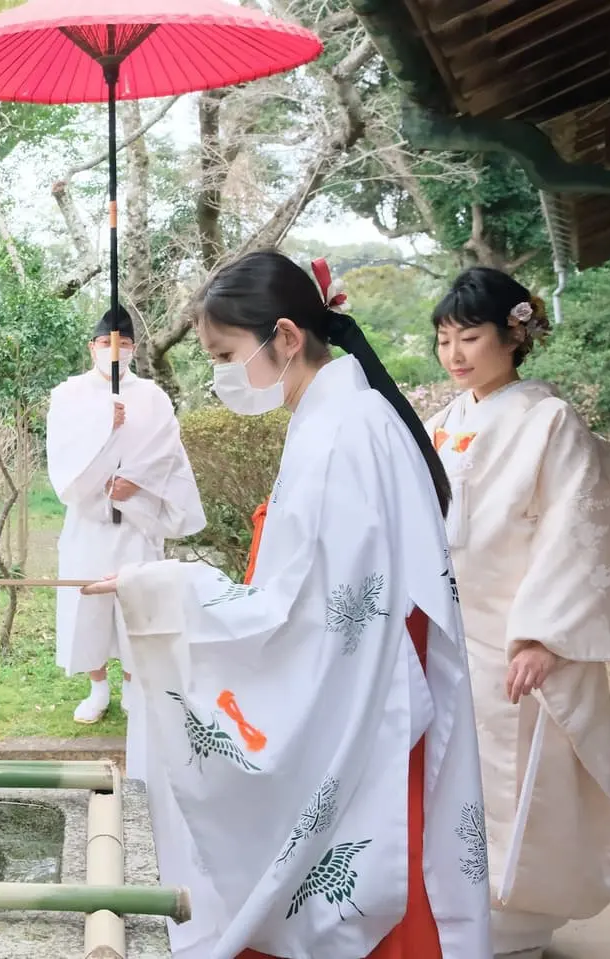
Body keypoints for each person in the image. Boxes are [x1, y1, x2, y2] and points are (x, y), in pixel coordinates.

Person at [82, 251, 491, 958]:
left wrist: (164, 589)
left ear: (286, 336)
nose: (221, 375)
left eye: (225, 354)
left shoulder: (345, 432)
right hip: (382, 686)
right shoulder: (344, 416)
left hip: (368, 699)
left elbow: (301, 614)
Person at [424, 267, 610, 959]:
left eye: (470, 335)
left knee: (515, 779)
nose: (456, 353)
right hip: (450, 633)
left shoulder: (548, 420)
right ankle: (454, 910)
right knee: (447, 772)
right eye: (445, 338)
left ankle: (515, 925)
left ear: (513, 332)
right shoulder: (442, 425)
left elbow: (578, 528)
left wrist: (544, 635)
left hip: (515, 637)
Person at [46, 304, 204, 776]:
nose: (114, 354)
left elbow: (166, 452)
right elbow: (65, 458)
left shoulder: (152, 396)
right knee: (88, 603)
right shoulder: (69, 395)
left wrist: (137, 481)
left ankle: (136, 683)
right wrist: (104, 430)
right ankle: (97, 686)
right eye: (105, 345)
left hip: (136, 520)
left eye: (124, 346)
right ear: (92, 347)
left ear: (133, 349)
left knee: (138, 602)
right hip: (90, 522)